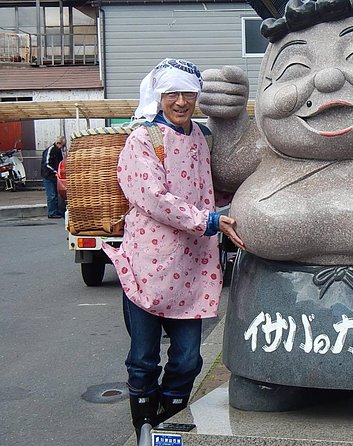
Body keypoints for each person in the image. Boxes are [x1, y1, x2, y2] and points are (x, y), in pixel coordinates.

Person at [101, 58, 244, 444]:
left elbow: (211, 187)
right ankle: (145, 425)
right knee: (144, 357)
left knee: (188, 359)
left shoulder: (201, 136)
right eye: (172, 94)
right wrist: (210, 221)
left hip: (193, 264)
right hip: (148, 262)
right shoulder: (144, 139)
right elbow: (151, 196)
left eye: (187, 93)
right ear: (158, 96)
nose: (181, 101)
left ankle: (169, 416)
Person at [40, 136, 65, 218]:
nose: (63, 147)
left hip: (54, 176)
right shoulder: (51, 150)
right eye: (62, 145)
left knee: (56, 195)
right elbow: (46, 164)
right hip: (48, 176)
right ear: (59, 143)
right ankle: (52, 212)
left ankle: (56, 211)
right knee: (52, 195)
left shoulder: (58, 151)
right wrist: (55, 172)